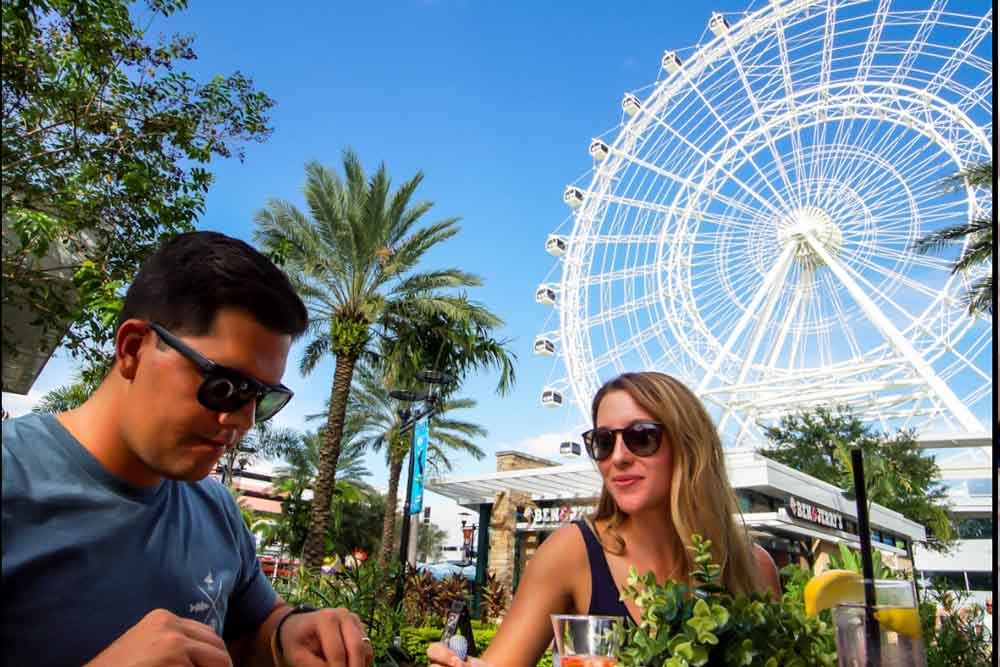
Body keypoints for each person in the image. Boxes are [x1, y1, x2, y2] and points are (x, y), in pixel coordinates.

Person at [2, 231, 373, 667]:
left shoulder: (213, 507)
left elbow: (250, 628)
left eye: (263, 398)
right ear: (133, 349)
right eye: (225, 386)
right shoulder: (13, 479)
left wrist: (289, 633)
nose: (242, 421)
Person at [428, 371, 782, 667]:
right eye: (603, 441)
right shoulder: (571, 553)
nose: (619, 457)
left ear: (688, 445)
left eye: (641, 437)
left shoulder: (753, 568)